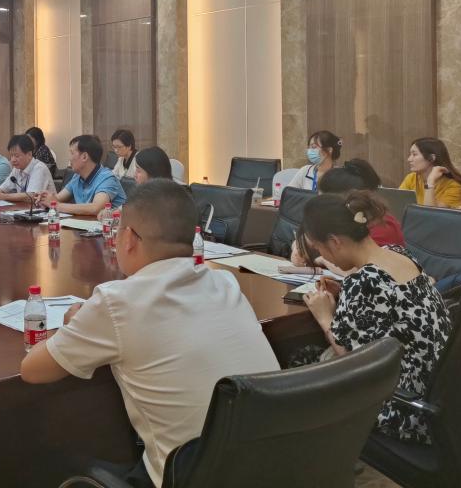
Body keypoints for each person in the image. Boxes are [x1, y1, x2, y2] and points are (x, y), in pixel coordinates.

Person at [21, 180, 279, 487]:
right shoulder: (225, 283)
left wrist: (74, 324)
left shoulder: (116, 302)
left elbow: (32, 370)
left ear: (129, 238)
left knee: (44, 461)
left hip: (190, 476)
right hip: (276, 465)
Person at [301, 191, 451, 444]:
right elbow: (391, 306)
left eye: (319, 248)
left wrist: (325, 317)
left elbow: (354, 363)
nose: (323, 257)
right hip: (440, 396)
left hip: (403, 407)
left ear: (335, 241)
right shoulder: (399, 254)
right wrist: (346, 294)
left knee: (305, 369)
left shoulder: (363, 283)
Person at [291, 160, 404, 268]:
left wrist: (322, 260)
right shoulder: (343, 219)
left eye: (325, 202)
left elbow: (361, 267)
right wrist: (297, 248)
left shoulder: (382, 225)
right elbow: (307, 237)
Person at [37, 135, 127, 217]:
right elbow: (57, 199)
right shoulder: (77, 176)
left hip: (111, 228)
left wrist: (56, 205)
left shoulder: (107, 178)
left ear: (84, 157)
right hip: (86, 226)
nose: (69, 158)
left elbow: (96, 208)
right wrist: (45, 198)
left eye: (72, 153)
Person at [399, 137, 461, 209]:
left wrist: (430, 182)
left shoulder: (454, 187)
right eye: (410, 155)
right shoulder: (411, 178)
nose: (409, 159)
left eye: (414, 154)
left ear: (431, 158)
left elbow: (431, 214)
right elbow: (398, 205)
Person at [0, 134, 55, 202]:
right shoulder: (17, 169)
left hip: (48, 208)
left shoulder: (39, 168)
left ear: (29, 154)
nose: (13, 160)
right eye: (11, 156)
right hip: (25, 207)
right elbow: (2, 189)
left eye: (17, 156)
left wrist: (4, 196)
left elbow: (32, 196)